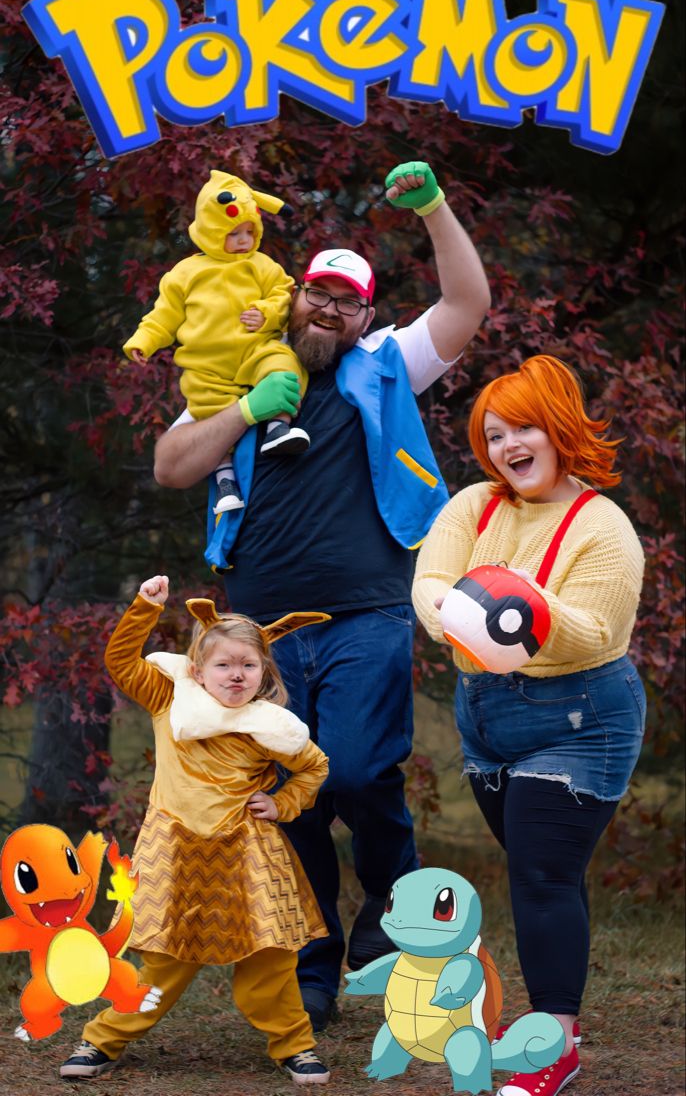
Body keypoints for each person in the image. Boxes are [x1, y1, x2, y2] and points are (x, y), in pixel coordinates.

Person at [153, 160, 492, 1030]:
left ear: (366, 315)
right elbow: (170, 465)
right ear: (292, 295)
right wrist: (247, 408)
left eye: (348, 301)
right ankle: (312, 960)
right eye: (319, 294)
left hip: (368, 615)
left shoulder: (384, 365)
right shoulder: (239, 365)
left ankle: (385, 915)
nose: (330, 310)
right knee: (278, 788)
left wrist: (435, 209)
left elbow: (466, 306)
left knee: (358, 766)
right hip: (257, 633)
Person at [412, 354, 646, 1096]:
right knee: (548, 874)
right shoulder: (474, 506)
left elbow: (594, 630)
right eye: (494, 433)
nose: (510, 445)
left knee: (539, 874)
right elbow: (429, 585)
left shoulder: (604, 527)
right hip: (485, 717)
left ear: (560, 428)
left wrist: (511, 610)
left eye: (524, 427)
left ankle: (554, 1045)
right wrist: (474, 617)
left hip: (580, 718)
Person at [59, 575, 333, 1085]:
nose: (236, 676)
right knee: (162, 960)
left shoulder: (269, 725)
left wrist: (283, 801)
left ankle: (295, 1046)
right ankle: (103, 1040)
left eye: (248, 666)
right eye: (224, 665)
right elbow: (121, 663)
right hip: (176, 849)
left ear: (263, 672)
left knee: (268, 957)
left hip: (248, 853)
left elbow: (314, 767)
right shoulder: (171, 702)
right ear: (198, 670)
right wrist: (145, 608)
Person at [123, 170, 310, 514]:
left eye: (249, 232)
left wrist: (266, 313)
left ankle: (278, 428)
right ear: (211, 231)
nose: (242, 240)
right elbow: (163, 315)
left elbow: (285, 294)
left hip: (255, 349)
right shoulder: (185, 274)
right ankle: (225, 481)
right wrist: (144, 341)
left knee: (283, 365)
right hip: (208, 365)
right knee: (210, 411)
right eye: (233, 233)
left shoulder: (262, 265)